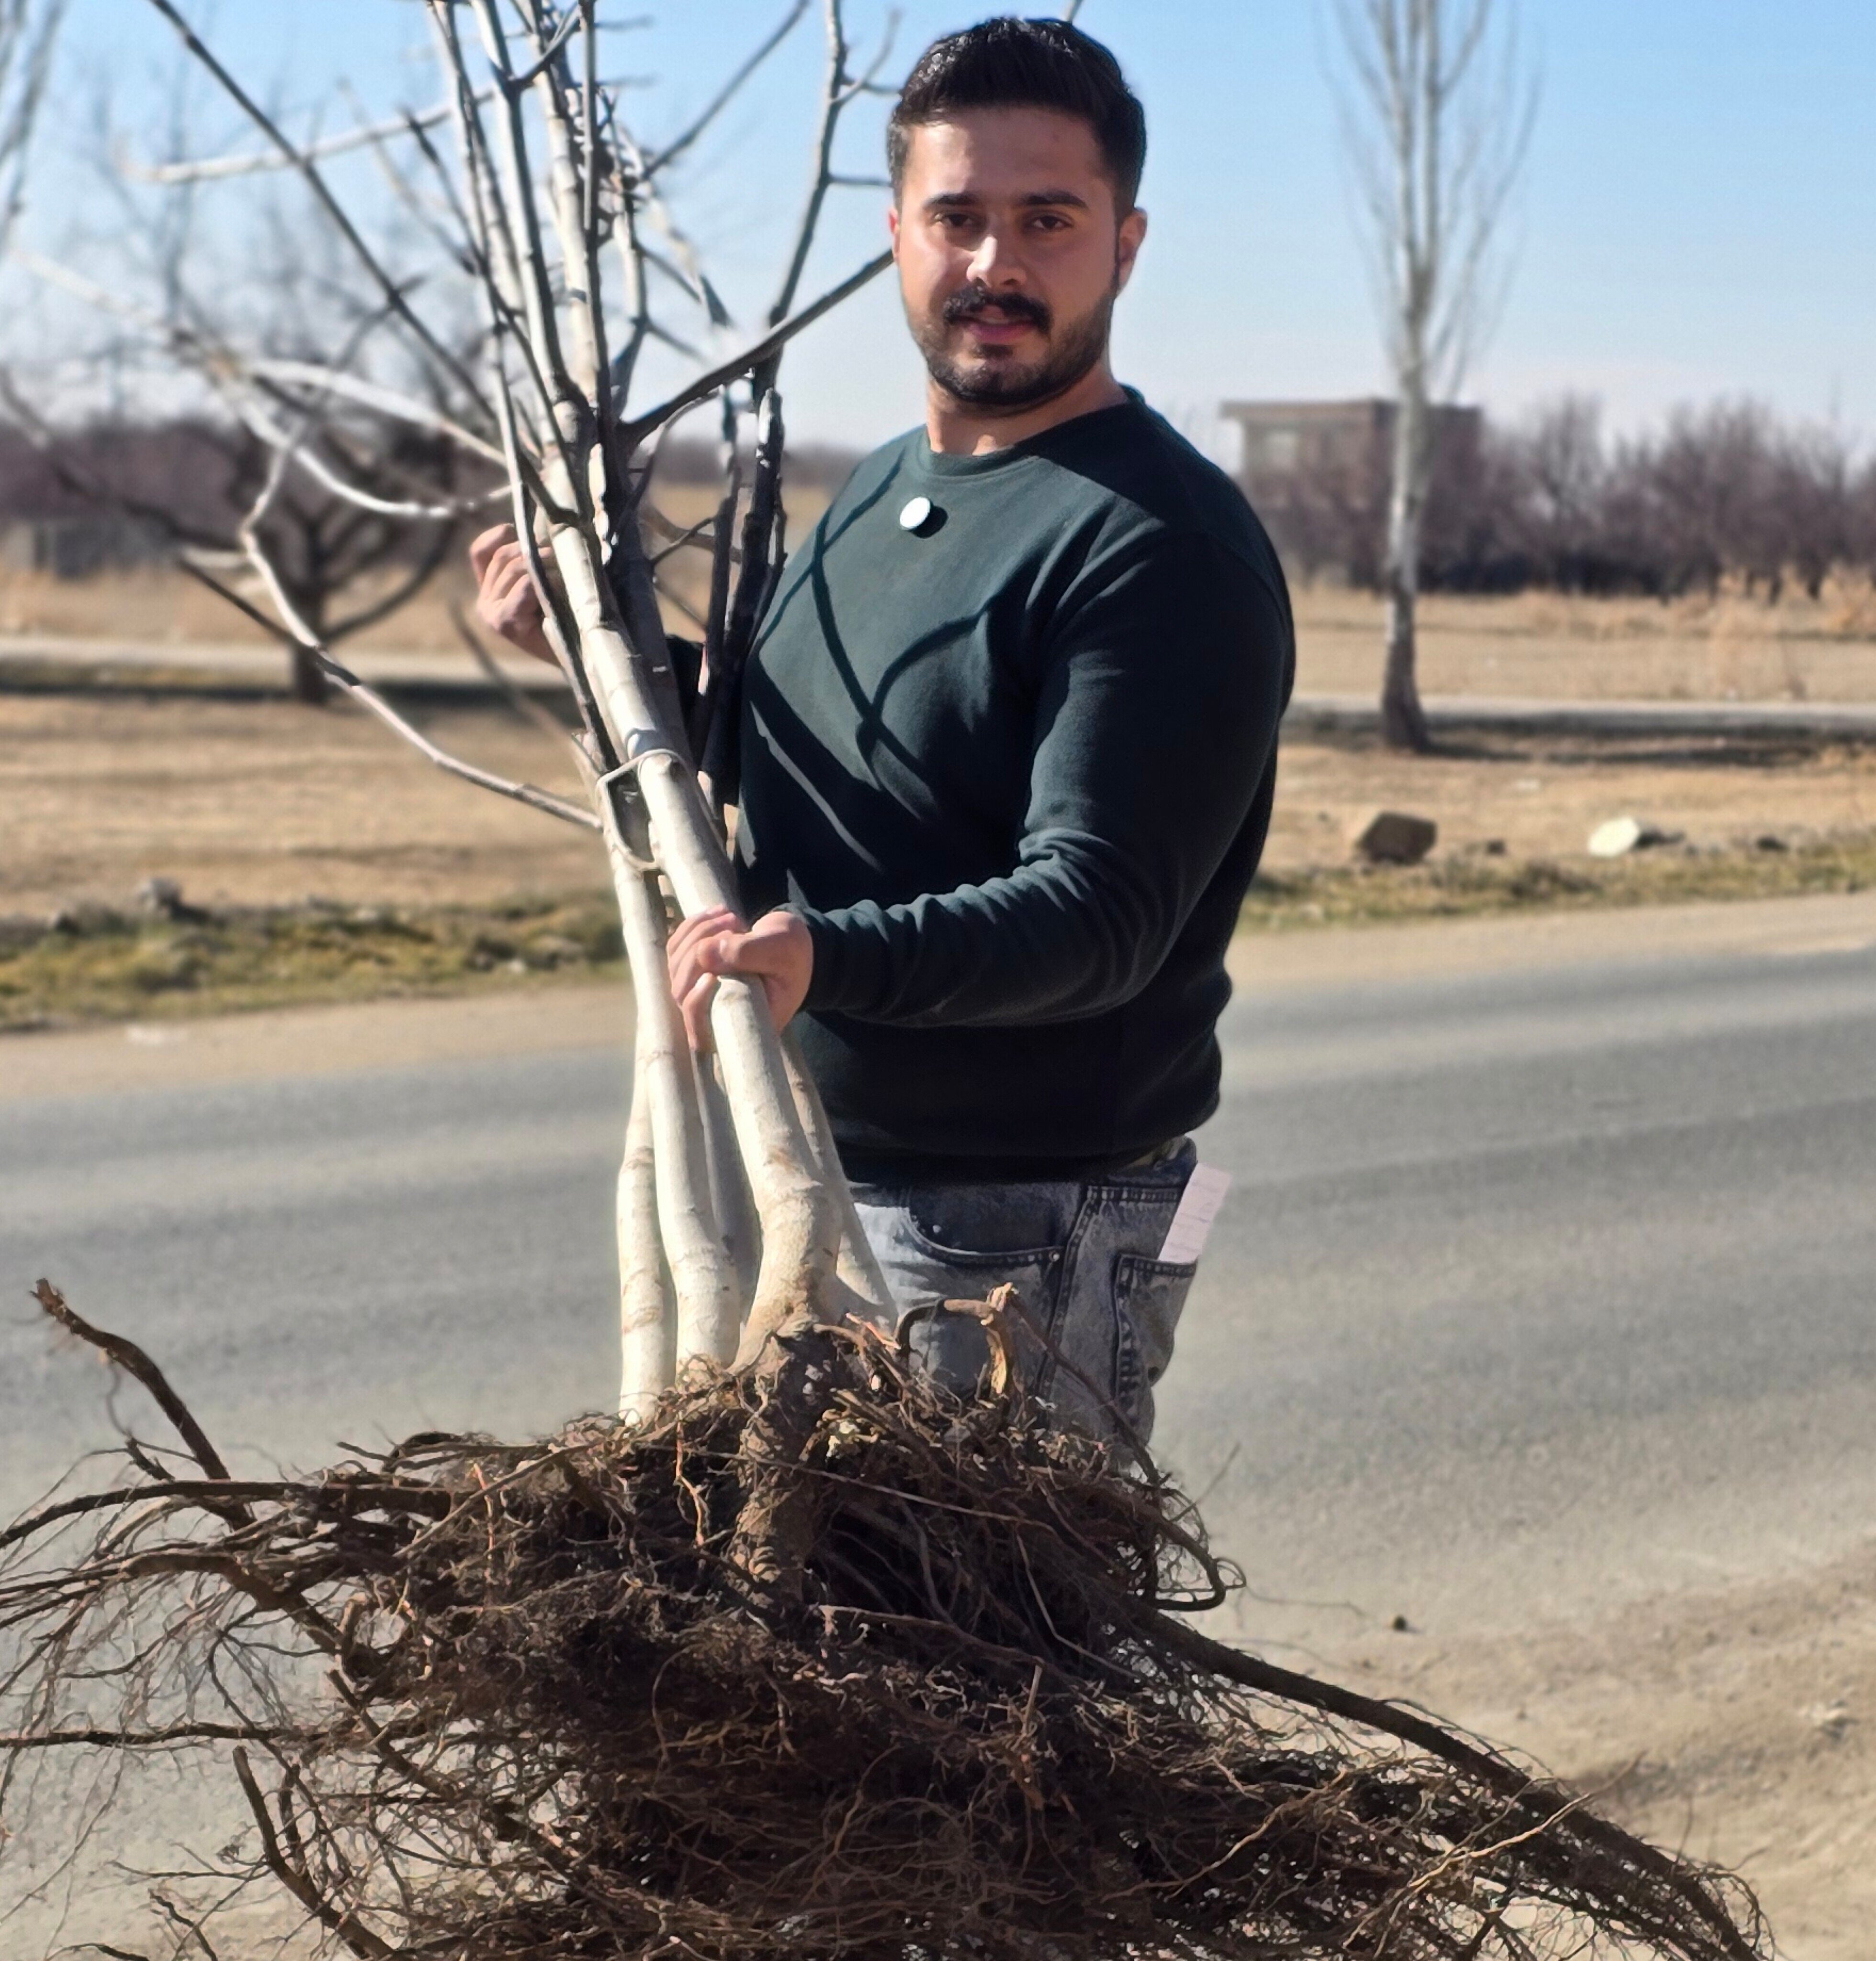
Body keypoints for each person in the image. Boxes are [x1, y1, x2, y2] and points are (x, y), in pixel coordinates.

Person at [472, 18, 1293, 1443]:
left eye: (1048, 219)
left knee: (998, 1665)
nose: (996, 264)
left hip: (1019, 1230)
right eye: (956, 218)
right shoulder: (886, 489)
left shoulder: (1158, 546)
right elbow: (818, 753)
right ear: (895, 237)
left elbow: (1098, 914)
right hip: (830, 1168)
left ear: (1129, 241)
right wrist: (615, 663)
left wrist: (826, 956)